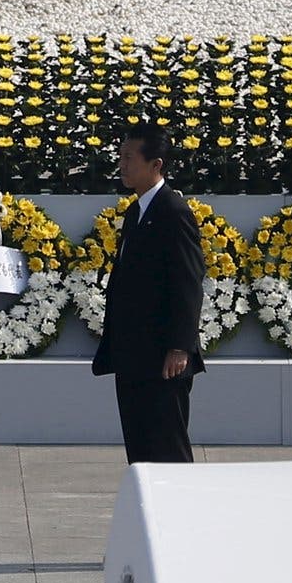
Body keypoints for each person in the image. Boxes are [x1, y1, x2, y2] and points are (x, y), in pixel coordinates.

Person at [92, 122, 206, 466]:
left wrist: (179, 346)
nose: (122, 165)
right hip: (133, 355)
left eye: (129, 158)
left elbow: (187, 282)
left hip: (163, 359)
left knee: (167, 445)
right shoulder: (135, 211)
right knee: (140, 449)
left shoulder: (173, 211)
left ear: (156, 164)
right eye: (121, 157)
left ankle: (183, 515)